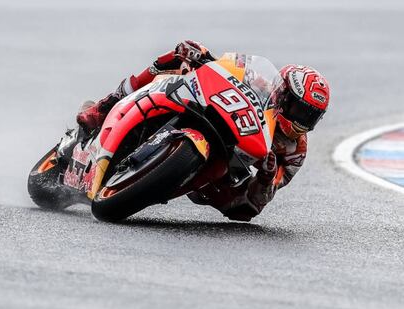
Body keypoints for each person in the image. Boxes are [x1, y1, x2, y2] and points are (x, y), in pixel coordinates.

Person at [77, 40, 330, 222]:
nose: (302, 121)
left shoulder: (295, 151)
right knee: (180, 54)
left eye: (311, 116)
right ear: (283, 94)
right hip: (213, 111)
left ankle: (152, 182)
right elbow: (229, 67)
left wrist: (265, 177)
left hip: (222, 171)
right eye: (299, 110)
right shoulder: (265, 84)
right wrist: (203, 57)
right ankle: (105, 105)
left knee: (241, 211)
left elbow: (257, 203)